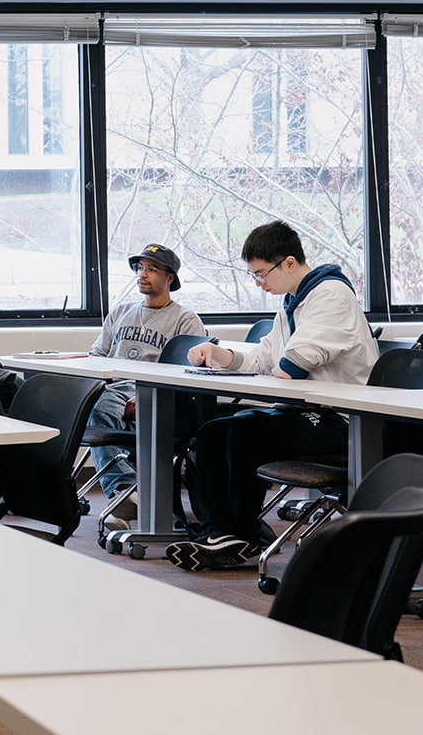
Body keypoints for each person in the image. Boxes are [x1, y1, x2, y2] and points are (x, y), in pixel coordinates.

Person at [169, 220, 377, 571]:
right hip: (306, 411)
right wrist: (222, 356)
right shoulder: (293, 302)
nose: (260, 283)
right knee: (212, 433)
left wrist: (272, 368)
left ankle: (246, 537)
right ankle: (220, 533)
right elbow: (265, 358)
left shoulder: (330, 295)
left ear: (290, 263)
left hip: (343, 418)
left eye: (262, 274)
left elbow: (292, 365)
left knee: (245, 431)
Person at [84, 244, 209, 525]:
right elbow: (97, 356)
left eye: (152, 269)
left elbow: (190, 374)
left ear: (170, 278)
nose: (143, 274)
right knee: (89, 401)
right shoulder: (120, 312)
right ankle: (127, 494)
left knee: (100, 406)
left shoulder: (185, 319)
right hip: (111, 386)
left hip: (153, 392)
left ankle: (122, 490)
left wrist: (149, 397)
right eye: (140, 268)